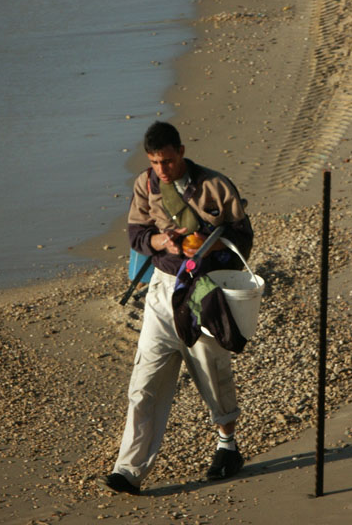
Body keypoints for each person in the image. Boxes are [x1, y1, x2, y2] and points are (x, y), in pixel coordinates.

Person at [98, 122, 254, 495]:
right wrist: (162, 242)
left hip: (205, 291)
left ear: (181, 151)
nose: (161, 169)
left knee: (213, 374)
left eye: (167, 160)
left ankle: (227, 447)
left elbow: (243, 238)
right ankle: (129, 470)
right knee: (144, 382)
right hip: (161, 291)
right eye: (154, 162)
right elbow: (136, 236)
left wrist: (207, 246)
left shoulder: (217, 185)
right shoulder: (146, 184)